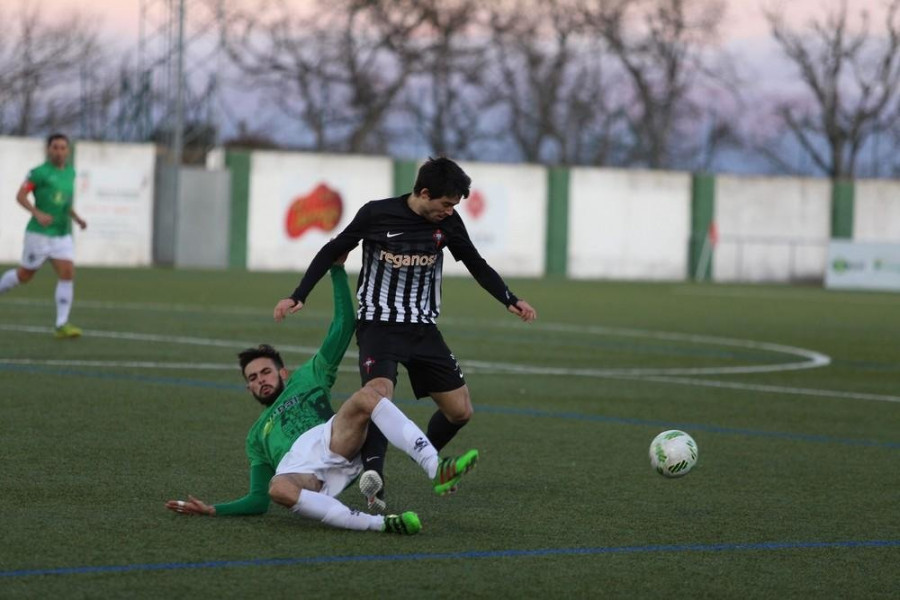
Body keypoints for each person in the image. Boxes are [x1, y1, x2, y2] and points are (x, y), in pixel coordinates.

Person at [272, 156, 536, 512]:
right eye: (445, 204)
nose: (449, 211)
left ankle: (422, 450)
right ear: (424, 193)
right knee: (378, 395)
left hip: (423, 329)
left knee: (461, 412)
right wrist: (298, 294)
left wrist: (510, 298)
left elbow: (475, 262)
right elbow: (333, 249)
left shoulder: (449, 224)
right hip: (378, 326)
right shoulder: (376, 214)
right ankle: (374, 478)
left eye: (454, 206)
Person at [166, 261, 478, 535]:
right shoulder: (255, 436)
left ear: (283, 373)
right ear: (248, 388)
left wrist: (337, 269)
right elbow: (258, 500)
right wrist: (214, 510)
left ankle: (435, 467)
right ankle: (381, 523)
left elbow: (343, 326)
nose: (260, 380)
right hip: (301, 472)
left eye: (265, 372)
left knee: (367, 395)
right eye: (252, 378)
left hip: (332, 440)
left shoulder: (307, 376)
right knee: (278, 488)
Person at [0, 133, 86, 338]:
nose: (59, 151)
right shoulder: (38, 173)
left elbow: (65, 203)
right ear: (48, 150)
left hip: (62, 234)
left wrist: (77, 218)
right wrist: (37, 213)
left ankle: (62, 324)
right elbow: (20, 196)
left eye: (63, 147)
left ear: (68, 150)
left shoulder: (71, 173)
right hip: (39, 234)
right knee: (25, 275)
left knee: (67, 273)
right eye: (55, 147)